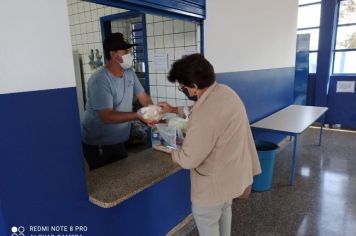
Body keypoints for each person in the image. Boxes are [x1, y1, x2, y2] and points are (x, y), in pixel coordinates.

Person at [159, 54, 261, 236]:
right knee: (224, 225)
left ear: (194, 86)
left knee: (209, 226)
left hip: (211, 190)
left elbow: (189, 159)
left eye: (182, 87)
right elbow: (198, 109)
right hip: (230, 180)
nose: (183, 91)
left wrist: (168, 150)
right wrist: (174, 110)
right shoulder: (226, 92)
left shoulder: (205, 113)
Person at [81, 32, 155, 170]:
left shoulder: (129, 72)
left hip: (119, 139)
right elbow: (107, 116)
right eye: (126, 51)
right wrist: (138, 115)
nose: (129, 54)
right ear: (114, 55)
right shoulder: (99, 80)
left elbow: (143, 96)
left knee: (122, 175)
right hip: (99, 143)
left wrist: (154, 113)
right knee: (107, 183)